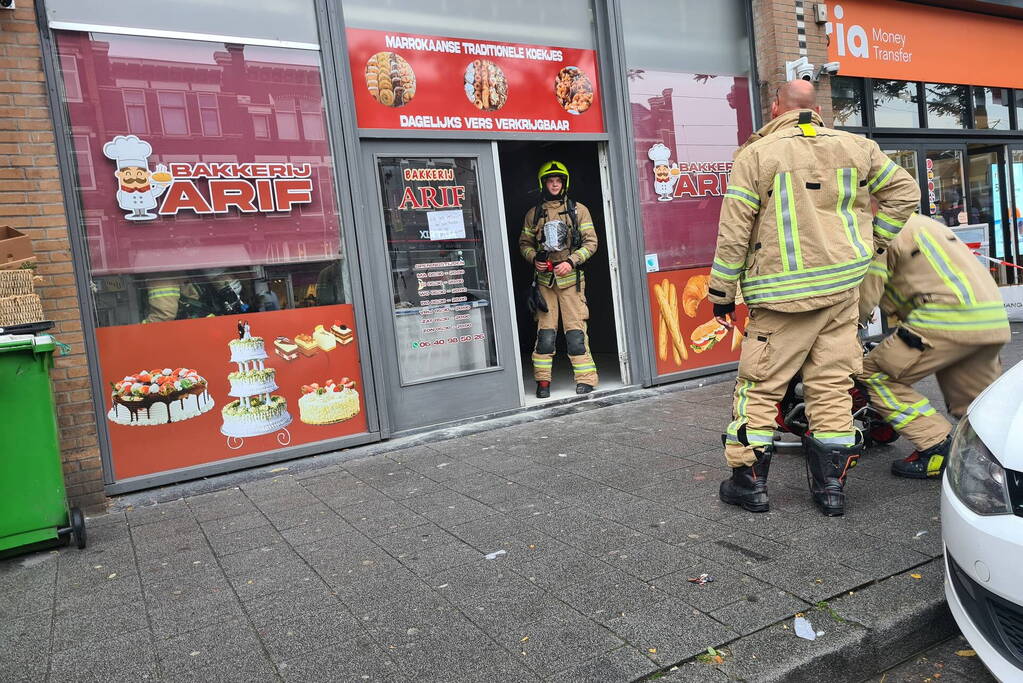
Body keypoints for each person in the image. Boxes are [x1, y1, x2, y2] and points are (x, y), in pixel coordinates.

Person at [709, 80, 919, 516]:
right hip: (842, 290)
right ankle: (831, 491)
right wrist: (873, 243)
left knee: (760, 388)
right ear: (818, 109)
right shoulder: (857, 148)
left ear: (774, 108)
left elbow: (734, 234)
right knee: (832, 388)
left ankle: (749, 484)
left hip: (779, 298)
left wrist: (721, 293)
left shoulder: (757, 155)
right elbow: (905, 193)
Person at [857, 208, 1008, 478]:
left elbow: (867, 295)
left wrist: (843, 328)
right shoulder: (924, 223)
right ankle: (996, 466)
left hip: (943, 319)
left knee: (874, 374)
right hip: (989, 319)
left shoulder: (879, 231)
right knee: (974, 406)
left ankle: (935, 446)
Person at [518, 160, 599, 398]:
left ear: (564, 183)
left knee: (575, 333)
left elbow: (591, 243)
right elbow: (524, 244)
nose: (554, 184)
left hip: (571, 281)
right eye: (550, 181)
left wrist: (571, 261)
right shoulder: (533, 215)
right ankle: (543, 382)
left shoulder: (579, 210)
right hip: (544, 282)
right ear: (543, 184)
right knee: (545, 334)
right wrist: (534, 259)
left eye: (558, 181)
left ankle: (586, 379)